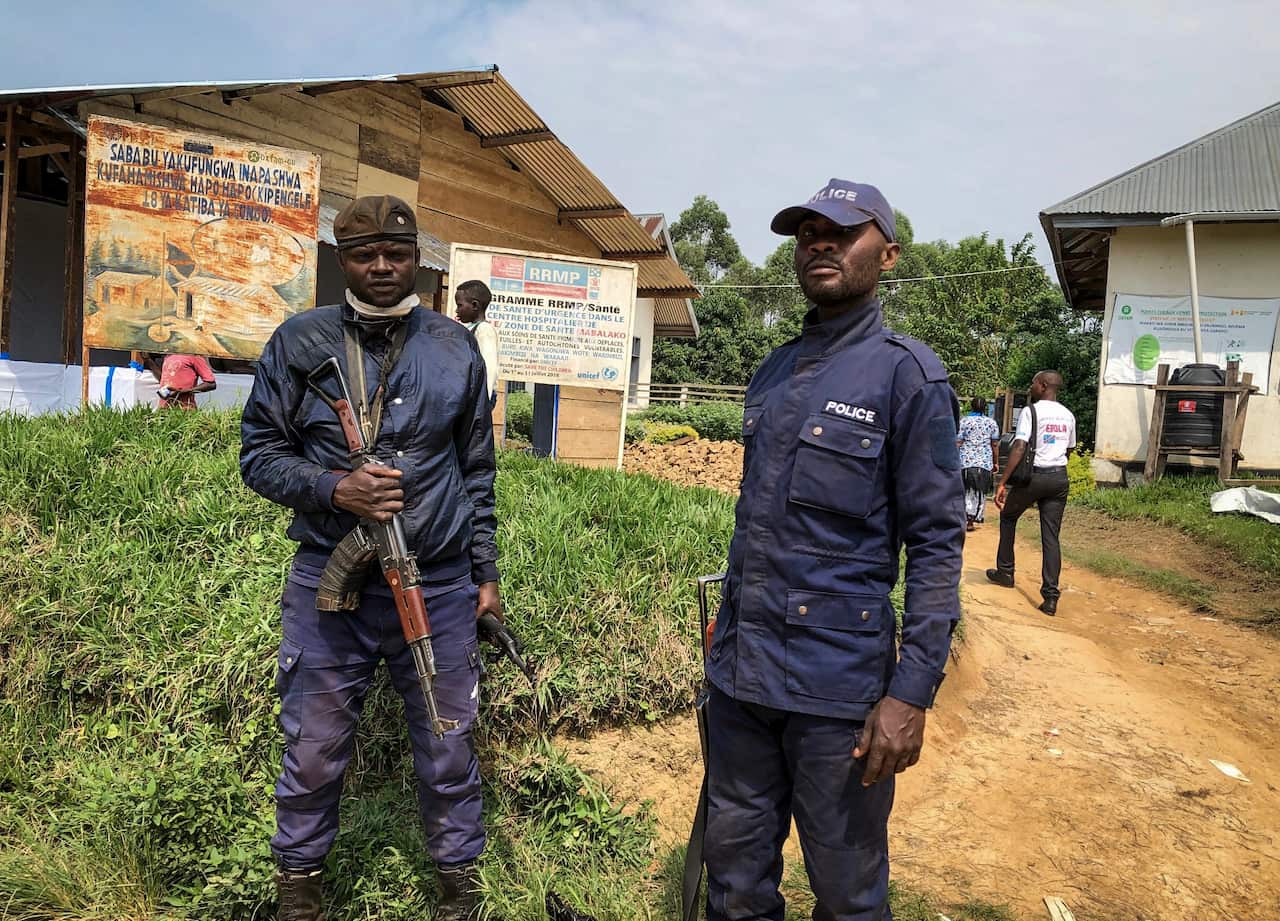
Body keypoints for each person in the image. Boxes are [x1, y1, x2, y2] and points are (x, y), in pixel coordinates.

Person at [702, 179, 965, 921]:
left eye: (841, 231)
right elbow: (755, 528)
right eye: (807, 232)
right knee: (737, 886)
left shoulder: (908, 377)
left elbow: (939, 546)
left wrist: (910, 692)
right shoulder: (775, 370)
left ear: (887, 253)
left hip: (838, 698)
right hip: (743, 686)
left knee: (848, 896)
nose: (819, 243)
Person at [240, 195, 500, 921]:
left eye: (396, 252)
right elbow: (257, 456)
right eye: (363, 255)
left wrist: (488, 576)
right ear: (341, 260)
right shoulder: (298, 341)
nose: (382, 267)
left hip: (440, 583)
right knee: (314, 747)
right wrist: (334, 488)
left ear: (418, 257)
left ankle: (460, 892)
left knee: (450, 747)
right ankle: (298, 892)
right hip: (334, 582)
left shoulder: (456, 347)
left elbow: (476, 470)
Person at [986, 371, 1076, 616]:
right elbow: (1069, 449)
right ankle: (1050, 596)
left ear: (1043, 385)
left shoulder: (1031, 411)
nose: (1031, 386)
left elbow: (1019, 446)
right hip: (1059, 478)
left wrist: (1003, 481)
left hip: (1033, 478)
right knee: (1051, 536)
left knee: (1008, 516)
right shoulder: (1068, 415)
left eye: (1034, 382)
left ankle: (1005, 572)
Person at [956, 396, 1000, 531]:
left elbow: (958, 442)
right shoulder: (991, 423)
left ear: (972, 406)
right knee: (979, 491)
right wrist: (995, 462)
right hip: (984, 462)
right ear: (985, 407)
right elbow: (994, 444)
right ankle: (972, 518)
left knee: (966, 490)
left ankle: (964, 517)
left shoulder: (964, 422)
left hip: (965, 461)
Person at [453, 280, 499, 407]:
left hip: (479, 397)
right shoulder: (471, 329)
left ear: (474, 305)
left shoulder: (484, 330)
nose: (457, 310)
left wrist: (483, 401)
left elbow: (489, 368)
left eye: (460, 305)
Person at [145, 352, 217, 409]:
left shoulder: (194, 356)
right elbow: (163, 379)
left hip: (185, 409)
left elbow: (211, 384)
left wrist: (182, 392)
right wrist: (148, 360)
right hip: (165, 408)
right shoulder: (168, 355)